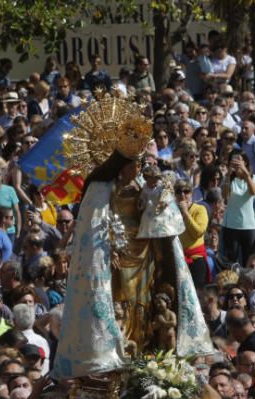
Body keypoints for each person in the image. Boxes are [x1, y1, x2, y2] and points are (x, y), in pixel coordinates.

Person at [52, 94, 213, 379]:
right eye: (133, 165)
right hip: (114, 256)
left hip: (144, 252)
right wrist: (107, 251)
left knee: (145, 300)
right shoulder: (100, 189)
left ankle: (144, 351)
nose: (137, 171)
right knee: (120, 303)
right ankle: (119, 353)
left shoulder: (143, 185)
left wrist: (159, 202)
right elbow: (92, 231)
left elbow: (159, 219)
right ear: (119, 164)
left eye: (140, 165)